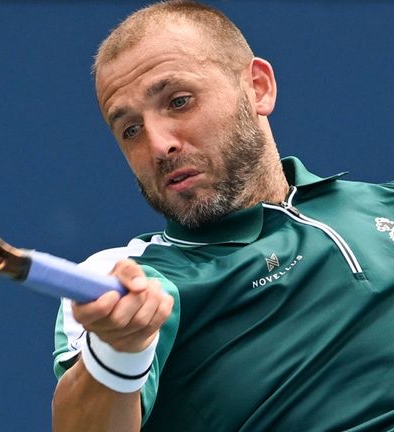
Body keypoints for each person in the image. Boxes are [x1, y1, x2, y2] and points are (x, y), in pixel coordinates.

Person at [50, 1, 394, 430]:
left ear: (258, 88)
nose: (158, 146)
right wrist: (118, 350)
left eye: (178, 101)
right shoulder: (133, 278)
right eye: (130, 130)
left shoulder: (383, 204)